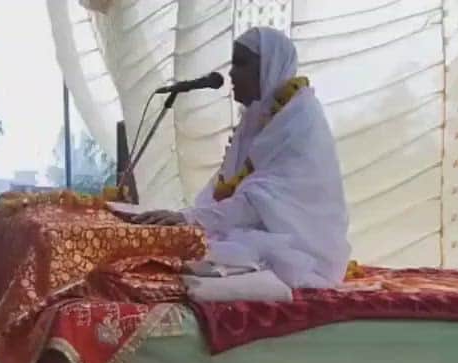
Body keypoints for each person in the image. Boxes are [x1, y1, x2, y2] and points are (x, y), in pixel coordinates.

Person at [130, 27, 350, 289]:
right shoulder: (258, 116)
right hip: (257, 230)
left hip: (303, 248)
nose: (232, 73)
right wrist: (186, 219)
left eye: (241, 63)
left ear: (268, 67)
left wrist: (191, 218)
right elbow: (227, 185)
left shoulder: (299, 120)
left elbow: (258, 201)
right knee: (184, 249)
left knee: (211, 254)